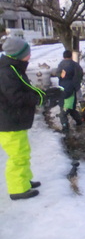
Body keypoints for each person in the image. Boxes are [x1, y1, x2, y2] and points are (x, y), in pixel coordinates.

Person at [0, 37, 45, 200]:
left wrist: (41, 95)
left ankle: (24, 180)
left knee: (23, 153)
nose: (30, 55)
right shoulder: (6, 72)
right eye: (27, 53)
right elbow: (16, 98)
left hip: (14, 121)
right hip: (9, 122)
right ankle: (18, 189)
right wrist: (37, 99)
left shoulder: (12, 68)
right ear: (18, 54)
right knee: (17, 157)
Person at [57, 50, 83, 132]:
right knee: (71, 107)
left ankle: (65, 127)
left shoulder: (61, 64)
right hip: (71, 89)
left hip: (62, 89)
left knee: (63, 110)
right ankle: (79, 121)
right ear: (71, 56)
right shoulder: (75, 65)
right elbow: (79, 75)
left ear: (63, 56)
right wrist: (76, 86)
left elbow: (58, 75)